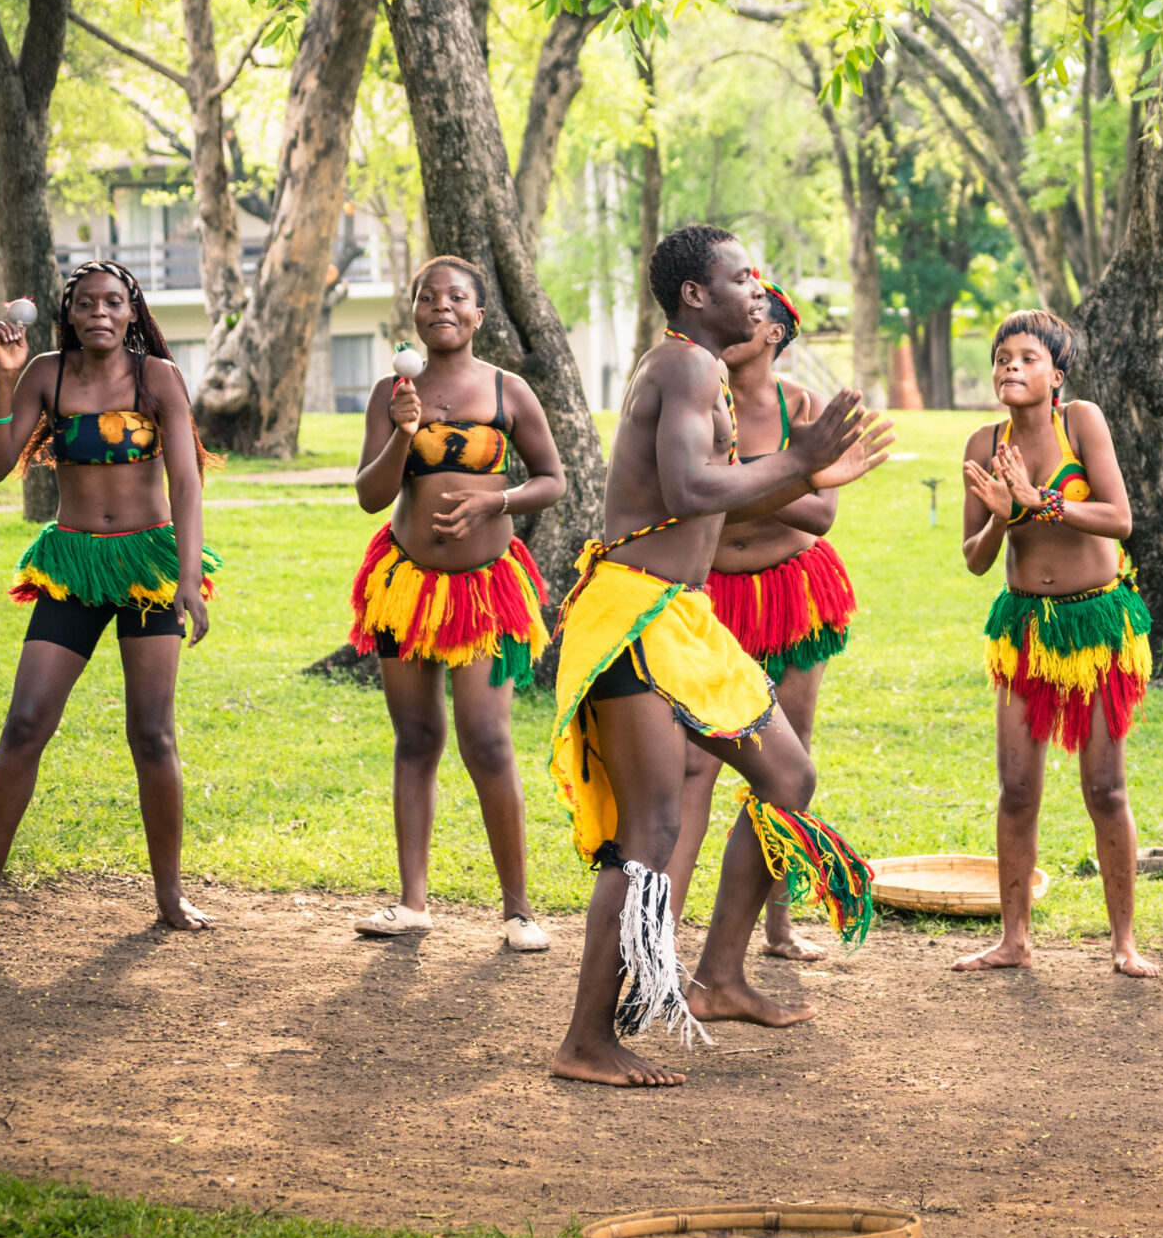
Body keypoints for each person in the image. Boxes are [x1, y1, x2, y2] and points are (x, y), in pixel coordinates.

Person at [545, 225, 894, 1088]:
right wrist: (799, 459)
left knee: (788, 777)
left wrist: (809, 475)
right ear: (696, 295)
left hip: (683, 616)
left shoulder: (699, 375)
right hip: (633, 615)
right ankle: (586, 1039)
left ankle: (722, 975)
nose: (758, 291)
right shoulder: (686, 367)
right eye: (742, 278)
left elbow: (732, 496)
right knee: (652, 830)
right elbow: (690, 492)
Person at [0, 260, 218, 930]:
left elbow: (187, 485)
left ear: (133, 310)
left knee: (151, 733)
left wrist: (188, 578)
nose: (101, 315)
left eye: (114, 303)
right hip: (74, 566)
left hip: (147, 564)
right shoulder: (45, 374)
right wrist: (5, 376)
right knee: (26, 722)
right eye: (87, 304)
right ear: (70, 312)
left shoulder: (159, 379)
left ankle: (170, 894)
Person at [344, 256, 566, 951]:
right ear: (413, 313)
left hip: (488, 589)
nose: (442, 304)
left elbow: (553, 480)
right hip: (406, 585)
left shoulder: (508, 391)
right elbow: (370, 497)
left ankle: (519, 910)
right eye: (427, 296)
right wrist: (404, 432)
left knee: (489, 739)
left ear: (477, 315)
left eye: (457, 297)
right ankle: (412, 904)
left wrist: (493, 501)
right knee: (415, 739)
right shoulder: (393, 390)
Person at [954, 310, 1157, 977]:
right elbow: (976, 560)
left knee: (1104, 786)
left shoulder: (1082, 422)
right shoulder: (983, 444)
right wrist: (1003, 519)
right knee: (1016, 786)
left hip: (1096, 621)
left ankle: (1124, 942)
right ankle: (1014, 939)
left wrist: (1041, 503)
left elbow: (1119, 518)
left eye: (1028, 358)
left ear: (1056, 375)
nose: (1012, 367)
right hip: (1023, 628)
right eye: (1003, 357)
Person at [662, 278, 853, 963]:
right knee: (693, 761)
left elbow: (821, 514)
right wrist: (782, 478)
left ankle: (775, 925)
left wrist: (741, 481)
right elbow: (688, 502)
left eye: (755, 308)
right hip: (712, 593)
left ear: (775, 331)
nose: (739, 312)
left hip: (794, 591)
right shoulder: (693, 393)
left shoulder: (800, 405)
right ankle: (663, 933)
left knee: (786, 759)